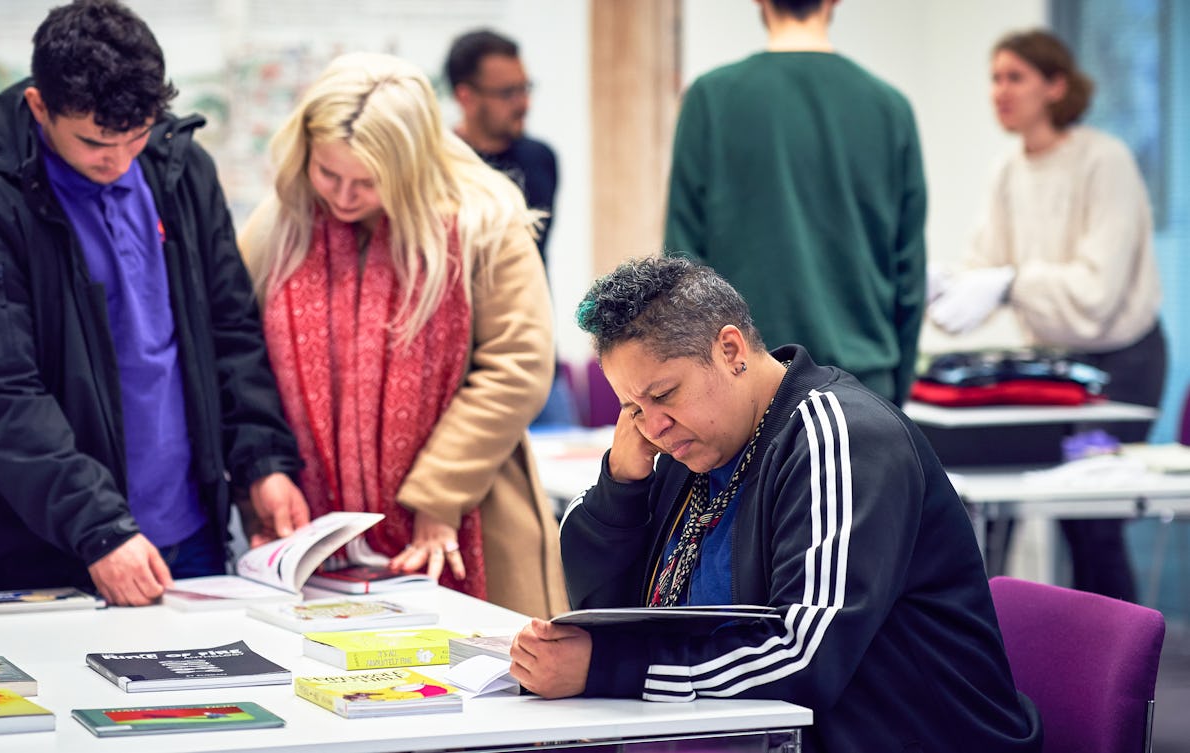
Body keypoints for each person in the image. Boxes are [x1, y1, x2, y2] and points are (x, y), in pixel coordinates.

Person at [511, 257, 1042, 752]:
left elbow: (803, 657)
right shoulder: (687, 446)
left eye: (664, 394)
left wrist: (609, 669)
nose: (652, 426)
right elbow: (600, 605)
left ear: (731, 351)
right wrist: (622, 483)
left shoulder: (840, 437)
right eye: (631, 407)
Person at [0, 0, 307, 607]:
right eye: (97, 143)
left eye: (136, 137)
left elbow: (230, 330)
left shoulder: (180, 170)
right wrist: (98, 528)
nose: (120, 161)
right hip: (54, 553)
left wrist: (262, 462)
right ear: (39, 107)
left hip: (192, 537)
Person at [239, 53, 566, 619]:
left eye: (367, 182)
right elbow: (242, 361)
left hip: (467, 518)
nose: (342, 197)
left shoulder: (482, 221)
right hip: (318, 537)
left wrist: (439, 493)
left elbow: (519, 366)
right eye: (328, 175)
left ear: (411, 165)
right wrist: (262, 471)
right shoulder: (279, 226)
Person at [928, 30, 1164, 602]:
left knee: (1092, 523)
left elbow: (1097, 291)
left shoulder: (1103, 161)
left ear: (1055, 85)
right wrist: (940, 283)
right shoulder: (1008, 170)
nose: (999, 92)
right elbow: (985, 269)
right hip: (1058, 366)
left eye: (1015, 78)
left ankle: (1115, 673)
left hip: (1120, 361)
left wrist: (1011, 282)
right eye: (994, 78)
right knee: (999, 512)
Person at [663, 0, 926, 406]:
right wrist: (897, 391)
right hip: (864, 387)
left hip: (746, 389)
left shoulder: (711, 100)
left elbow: (683, 270)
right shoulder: (890, 108)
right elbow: (909, 275)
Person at [445, 29, 558, 263]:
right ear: (466, 97)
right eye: (508, 93)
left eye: (524, 88)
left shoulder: (540, 158)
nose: (524, 104)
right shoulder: (438, 162)